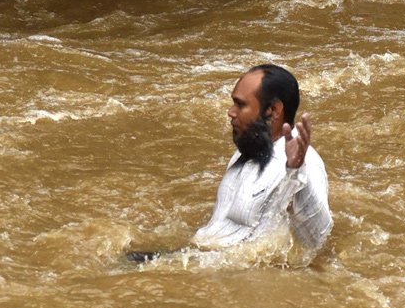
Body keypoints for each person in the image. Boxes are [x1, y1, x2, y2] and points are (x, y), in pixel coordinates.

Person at [129, 65, 332, 266]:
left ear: (273, 110)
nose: (230, 112)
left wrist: (296, 172)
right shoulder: (246, 151)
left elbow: (316, 239)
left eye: (240, 105)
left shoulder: (303, 162)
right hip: (199, 262)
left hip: (239, 277)